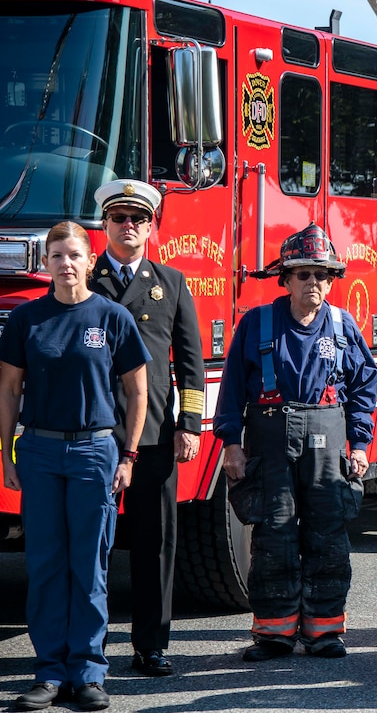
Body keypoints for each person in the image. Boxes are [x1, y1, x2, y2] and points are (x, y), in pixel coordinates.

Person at [1, 222, 150, 712]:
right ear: (46, 264)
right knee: (44, 564)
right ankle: (48, 673)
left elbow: (136, 391)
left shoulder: (111, 318)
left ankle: (87, 672)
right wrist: (7, 452)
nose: (65, 263)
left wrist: (128, 455)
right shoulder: (27, 320)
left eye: (73, 255)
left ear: (91, 261)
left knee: (89, 567)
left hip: (95, 452)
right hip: (40, 452)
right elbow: (8, 390)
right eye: (56, 255)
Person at [213, 223, 377, 662]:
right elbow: (231, 388)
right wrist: (231, 443)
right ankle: (273, 634)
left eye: (322, 274)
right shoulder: (257, 323)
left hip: (328, 444)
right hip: (268, 441)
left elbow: (364, 384)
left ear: (331, 280)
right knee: (274, 536)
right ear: (285, 279)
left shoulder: (343, 326)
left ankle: (324, 632)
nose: (313, 283)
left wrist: (360, 444)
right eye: (303, 274)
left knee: (328, 537)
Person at [88, 179, 204, 678]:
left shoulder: (172, 283)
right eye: (119, 218)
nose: (128, 226)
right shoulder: (81, 281)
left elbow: (192, 362)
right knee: (88, 541)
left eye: (138, 219)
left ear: (152, 226)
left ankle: (151, 645)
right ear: (106, 226)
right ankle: (84, 647)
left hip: (154, 432)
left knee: (155, 541)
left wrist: (190, 423)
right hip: (91, 429)